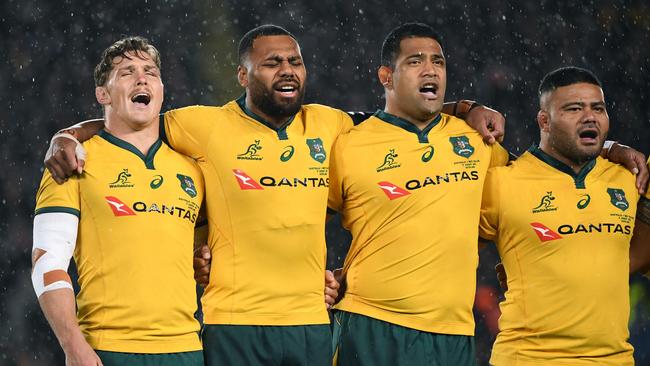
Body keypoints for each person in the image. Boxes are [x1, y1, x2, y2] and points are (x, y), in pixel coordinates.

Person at [42, 25, 509, 366]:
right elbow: (126, 125)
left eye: (294, 61)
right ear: (243, 77)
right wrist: (67, 135)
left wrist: (463, 107)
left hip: (311, 323)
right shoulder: (203, 126)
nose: (286, 70)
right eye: (271, 63)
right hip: (232, 325)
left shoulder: (332, 125)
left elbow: (399, 114)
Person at [326, 22, 510, 366]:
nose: (431, 70)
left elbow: (515, 208)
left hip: (453, 332)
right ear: (386, 76)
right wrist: (314, 275)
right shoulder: (349, 144)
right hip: (371, 323)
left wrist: (610, 149)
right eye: (415, 61)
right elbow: (301, 213)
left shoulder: (479, 141)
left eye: (438, 62)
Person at [33, 36, 205, 366]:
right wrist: (74, 345)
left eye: (150, 72)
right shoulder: (72, 161)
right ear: (103, 93)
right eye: (127, 72)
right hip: (106, 348)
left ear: (162, 89)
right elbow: (47, 261)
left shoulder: (193, 168)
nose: (142, 78)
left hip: (186, 349)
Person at [479, 66, 650, 365]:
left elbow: (638, 255)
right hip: (528, 359)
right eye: (574, 108)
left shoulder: (629, 179)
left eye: (598, 108)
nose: (589, 117)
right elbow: (447, 248)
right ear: (544, 120)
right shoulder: (501, 182)